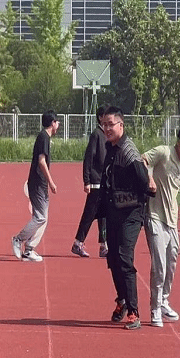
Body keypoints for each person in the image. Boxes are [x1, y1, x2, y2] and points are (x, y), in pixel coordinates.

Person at [99, 106, 150, 330]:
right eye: (104, 124)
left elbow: (143, 180)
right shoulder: (110, 148)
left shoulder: (129, 151)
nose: (107, 128)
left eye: (111, 124)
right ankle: (121, 299)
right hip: (113, 212)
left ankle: (134, 311)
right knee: (113, 259)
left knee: (124, 258)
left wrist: (136, 201)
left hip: (131, 213)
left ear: (121, 125)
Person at [142, 125, 180, 327]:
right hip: (155, 216)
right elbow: (142, 159)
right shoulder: (164, 152)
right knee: (159, 266)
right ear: (178, 142)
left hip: (172, 221)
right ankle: (155, 308)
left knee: (171, 263)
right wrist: (150, 179)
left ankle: (164, 300)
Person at [12, 110, 59, 262]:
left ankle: (29, 250)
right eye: (57, 122)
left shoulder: (44, 137)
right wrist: (51, 182)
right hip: (38, 182)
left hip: (40, 183)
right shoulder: (44, 137)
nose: (58, 125)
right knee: (40, 217)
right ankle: (19, 239)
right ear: (53, 123)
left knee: (43, 217)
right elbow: (41, 161)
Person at [72, 106, 107, 258]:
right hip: (96, 182)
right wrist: (86, 180)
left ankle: (104, 245)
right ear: (101, 117)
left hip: (104, 182)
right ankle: (78, 243)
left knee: (104, 214)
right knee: (90, 214)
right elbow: (88, 158)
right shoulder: (96, 135)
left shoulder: (106, 135)